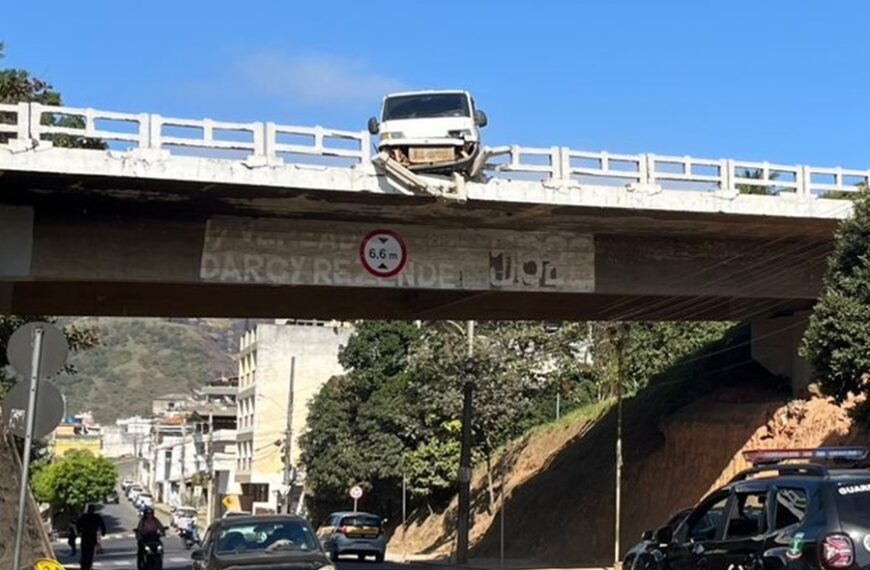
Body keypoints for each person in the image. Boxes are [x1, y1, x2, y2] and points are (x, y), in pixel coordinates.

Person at [76, 504, 106, 570]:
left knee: (85, 552)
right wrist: (103, 532)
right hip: (91, 536)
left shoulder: (84, 517)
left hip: (85, 536)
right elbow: (102, 525)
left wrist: (79, 531)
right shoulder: (96, 517)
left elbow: (78, 523)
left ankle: (84, 565)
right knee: (90, 553)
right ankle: (88, 565)